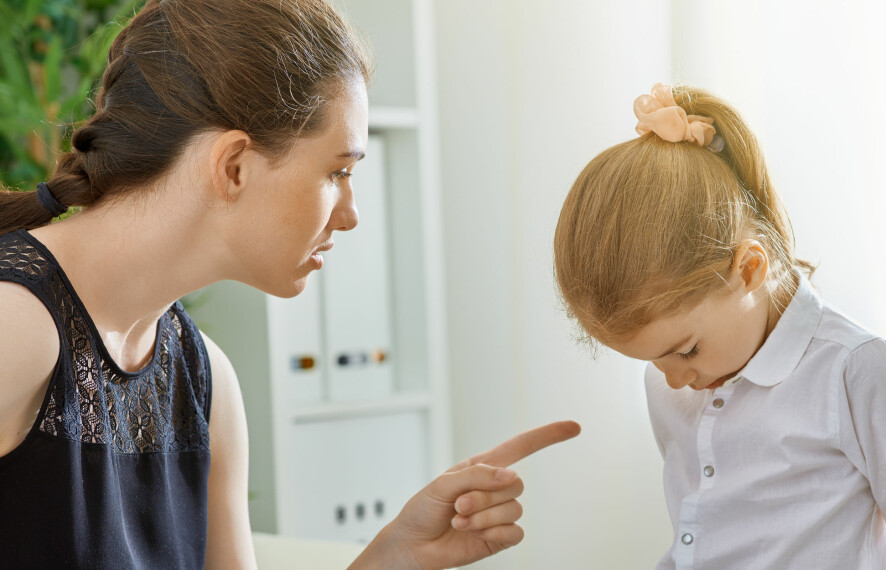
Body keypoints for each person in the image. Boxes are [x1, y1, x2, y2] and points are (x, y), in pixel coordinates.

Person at [0, 0, 580, 568]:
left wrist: (392, 556)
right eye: (338, 172)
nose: (350, 213)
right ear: (233, 166)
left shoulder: (205, 381)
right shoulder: (14, 328)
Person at [553, 83, 886, 569]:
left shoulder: (856, 372)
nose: (671, 378)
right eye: (652, 358)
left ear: (750, 270)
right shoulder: (669, 383)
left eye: (686, 350)